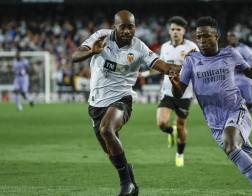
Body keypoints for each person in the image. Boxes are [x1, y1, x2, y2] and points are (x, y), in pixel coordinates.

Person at [169, 16, 252, 196]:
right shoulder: (191, 60)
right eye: (198, 37)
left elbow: (250, 71)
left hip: (235, 111)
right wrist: (175, 84)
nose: (202, 40)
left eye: (206, 36)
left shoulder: (230, 54)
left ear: (216, 36)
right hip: (214, 122)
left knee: (231, 145)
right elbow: (179, 93)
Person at [71, 10, 180, 196]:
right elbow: (75, 56)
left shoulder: (139, 47)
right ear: (115, 27)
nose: (128, 31)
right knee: (111, 151)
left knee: (107, 129)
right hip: (96, 103)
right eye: (123, 27)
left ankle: (125, 185)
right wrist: (92, 51)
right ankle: (132, 184)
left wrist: (175, 70)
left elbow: (160, 65)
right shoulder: (101, 37)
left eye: (131, 27)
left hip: (122, 99)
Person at [156, 16, 199, 167]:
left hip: (184, 94)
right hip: (167, 92)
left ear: (184, 31)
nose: (175, 32)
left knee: (182, 126)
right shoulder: (164, 47)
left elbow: (198, 68)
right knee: (161, 123)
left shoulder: (191, 47)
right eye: (173, 29)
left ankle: (179, 154)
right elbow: (161, 66)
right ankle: (170, 131)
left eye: (178, 29)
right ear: (169, 31)